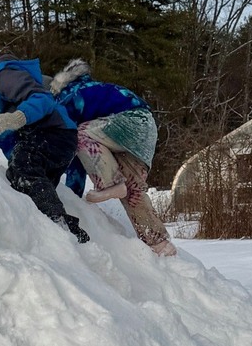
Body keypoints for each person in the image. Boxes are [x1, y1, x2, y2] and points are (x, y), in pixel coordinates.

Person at [0, 24, 89, 243]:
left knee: (22, 168)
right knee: (27, 189)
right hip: (40, 139)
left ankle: (60, 225)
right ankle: (54, 238)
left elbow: (43, 99)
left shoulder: (4, 74)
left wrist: (18, 117)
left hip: (54, 133)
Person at [50, 58, 176, 257]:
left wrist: (72, 195)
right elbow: (83, 155)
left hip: (132, 121)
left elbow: (73, 143)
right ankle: (160, 244)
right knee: (131, 189)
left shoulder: (67, 98)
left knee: (80, 134)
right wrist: (75, 197)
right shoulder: (92, 88)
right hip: (145, 128)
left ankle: (109, 183)